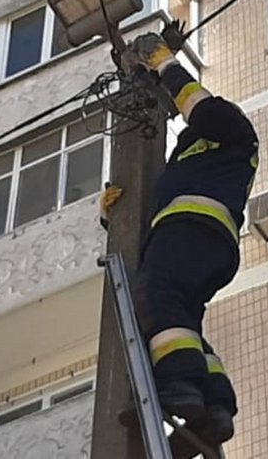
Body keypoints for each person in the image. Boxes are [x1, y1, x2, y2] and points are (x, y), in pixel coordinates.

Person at [101, 32, 258, 445]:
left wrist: (166, 65)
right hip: (201, 238)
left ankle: (180, 386)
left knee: (158, 299)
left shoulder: (233, 129)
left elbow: (202, 110)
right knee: (180, 320)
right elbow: (153, 212)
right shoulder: (195, 158)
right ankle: (216, 406)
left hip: (194, 228)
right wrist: (112, 218)